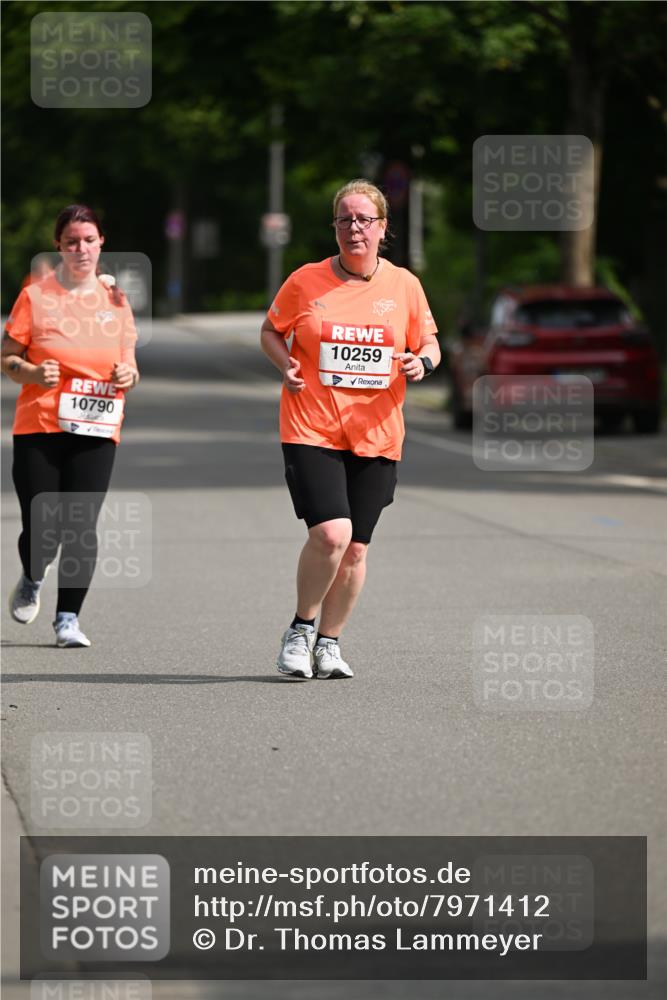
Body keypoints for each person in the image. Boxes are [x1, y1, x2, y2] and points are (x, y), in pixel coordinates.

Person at [260, 178, 440, 679]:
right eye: (345, 219)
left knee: (357, 548)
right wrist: (285, 364)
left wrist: (422, 363)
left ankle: (329, 644)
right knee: (331, 534)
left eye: (364, 219)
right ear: (334, 227)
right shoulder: (306, 281)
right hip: (311, 425)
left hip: (377, 432)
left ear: (383, 227)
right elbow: (271, 331)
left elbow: (429, 343)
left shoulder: (404, 285)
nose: (354, 228)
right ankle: (301, 629)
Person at [2, 204, 139, 647]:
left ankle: (68, 620)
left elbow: (130, 366)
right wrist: (31, 372)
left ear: (101, 244)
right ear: (59, 246)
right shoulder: (35, 297)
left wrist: (127, 375)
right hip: (40, 425)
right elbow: (7, 357)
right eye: (71, 242)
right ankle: (32, 575)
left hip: (97, 426)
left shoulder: (116, 301)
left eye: (89, 240)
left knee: (80, 523)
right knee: (42, 527)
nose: (81, 249)